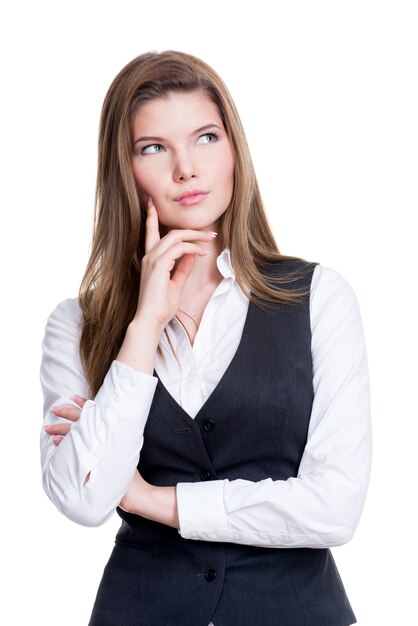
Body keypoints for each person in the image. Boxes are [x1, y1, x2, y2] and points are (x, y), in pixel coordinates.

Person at [39, 50, 372, 626]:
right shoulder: (77, 325)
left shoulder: (318, 296)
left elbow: (335, 508)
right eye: (154, 148)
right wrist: (143, 326)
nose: (186, 168)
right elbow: (83, 497)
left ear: (235, 150)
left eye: (206, 138)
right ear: (124, 168)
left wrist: (151, 500)